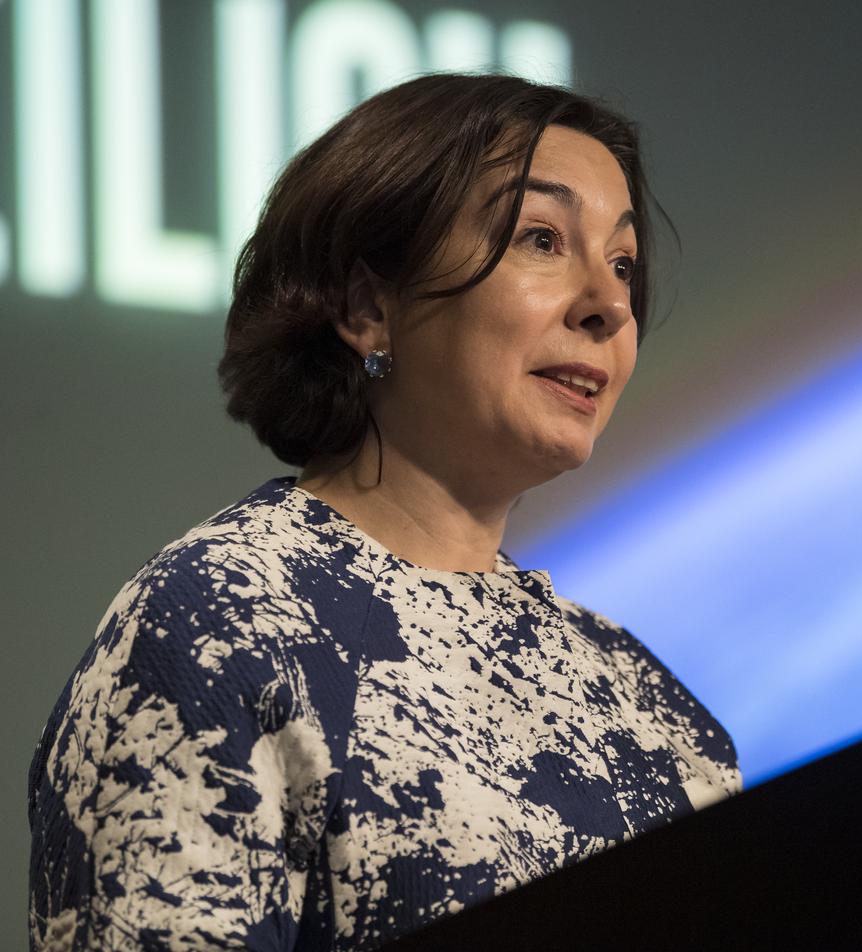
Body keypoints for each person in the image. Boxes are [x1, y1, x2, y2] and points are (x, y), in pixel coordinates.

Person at [28, 73, 741, 951]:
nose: (608, 304)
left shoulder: (653, 711)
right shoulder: (218, 624)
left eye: (623, 263)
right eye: (542, 239)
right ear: (370, 309)